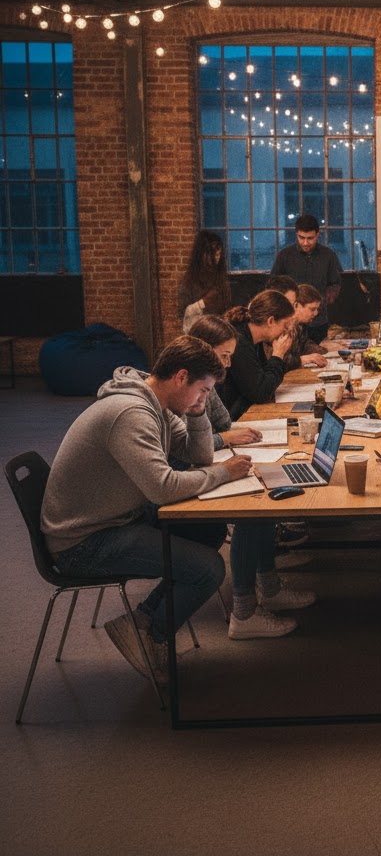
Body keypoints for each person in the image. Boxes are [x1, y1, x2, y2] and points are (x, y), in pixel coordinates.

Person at [40, 336, 253, 682]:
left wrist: (198, 413)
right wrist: (223, 473)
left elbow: (196, 456)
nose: (204, 398)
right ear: (181, 377)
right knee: (207, 569)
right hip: (83, 542)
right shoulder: (131, 413)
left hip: (118, 518)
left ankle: (141, 622)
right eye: (203, 390)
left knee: (209, 531)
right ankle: (151, 634)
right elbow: (163, 487)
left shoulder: (155, 400)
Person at [185, 316, 315, 638]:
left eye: (231, 356)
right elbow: (190, 447)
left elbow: (222, 421)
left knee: (267, 488)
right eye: (224, 355)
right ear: (203, 351)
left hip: (208, 462)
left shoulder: (208, 383)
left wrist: (231, 435)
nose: (228, 364)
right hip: (189, 476)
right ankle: (243, 613)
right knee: (252, 508)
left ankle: (268, 586)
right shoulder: (189, 385)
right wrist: (226, 439)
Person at [219, 290, 295, 420]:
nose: (285, 331)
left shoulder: (254, 338)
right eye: (285, 325)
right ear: (271, 321)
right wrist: (277, 355)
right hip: (234, 418)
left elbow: (264, 376)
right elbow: (261, 393)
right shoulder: (239, 342)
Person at [269, 215, 342, 344]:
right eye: (301, 238)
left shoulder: (328, 255)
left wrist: (323, 301)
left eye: (310, 238)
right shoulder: (284, 256)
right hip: (290, 321)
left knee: (319, 356)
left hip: (318, 320)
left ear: (318, 235)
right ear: (296, 234)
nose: (305, 243)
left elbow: (335, 284)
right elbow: (273, 287)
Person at [179, 230, 230, 332]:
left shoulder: (220, 277)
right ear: (203, 254)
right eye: (213, 254)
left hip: (218, 330)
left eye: (218, 254)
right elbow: (183, 313)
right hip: (198, 331)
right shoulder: (190, 280)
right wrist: (204, 302)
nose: (217, 258)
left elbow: (226, 307)